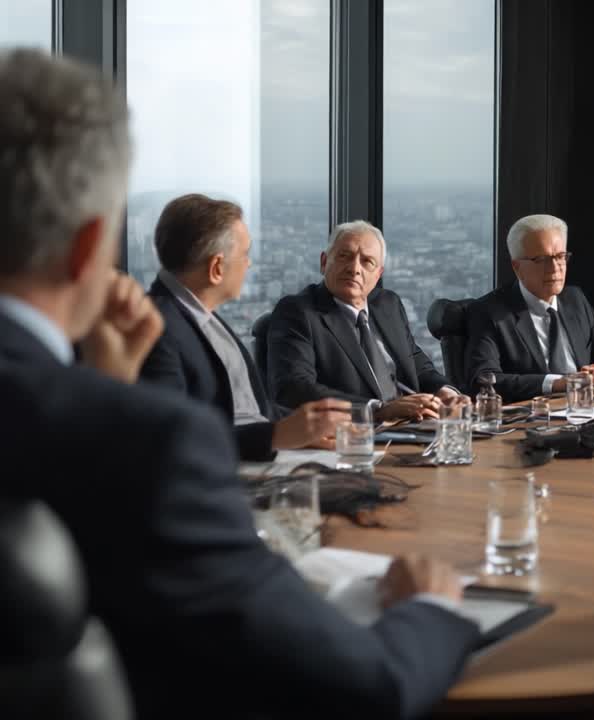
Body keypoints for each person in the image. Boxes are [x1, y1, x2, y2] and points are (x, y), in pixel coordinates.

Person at [0, 48, 478, 719]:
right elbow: (370, 686)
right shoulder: (154, 444)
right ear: (87, 249)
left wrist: (106, 385)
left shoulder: (98, 417)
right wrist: (432, 605)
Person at [139, 193, 350, 460]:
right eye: (245, 254)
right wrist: (276, 436)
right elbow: (172, 438)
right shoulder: (155, 329)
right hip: (229, 478)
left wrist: (310, 427)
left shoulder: (200, 317)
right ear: (217, 267)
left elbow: (250, 408)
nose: (249, 263)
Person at [268, 220, 460, 421]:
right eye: (344, 256)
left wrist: (445, 391)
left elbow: (416, 364)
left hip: (413, 428)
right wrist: (377, 410)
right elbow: (293, 389)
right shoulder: (298, 312)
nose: (354, 268)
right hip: (351, 437)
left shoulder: (389, 305)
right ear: (324, 262)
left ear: (378, 274)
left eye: (367, 261)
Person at [465, 213, 594, 401]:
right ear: (517, 267)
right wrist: (559, 384)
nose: (555, 267)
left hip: (587, 413)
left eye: (560, 256)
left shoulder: (575, 300)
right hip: (532, 421)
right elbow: (483, 380)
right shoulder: (489, 312)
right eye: (541, 259)